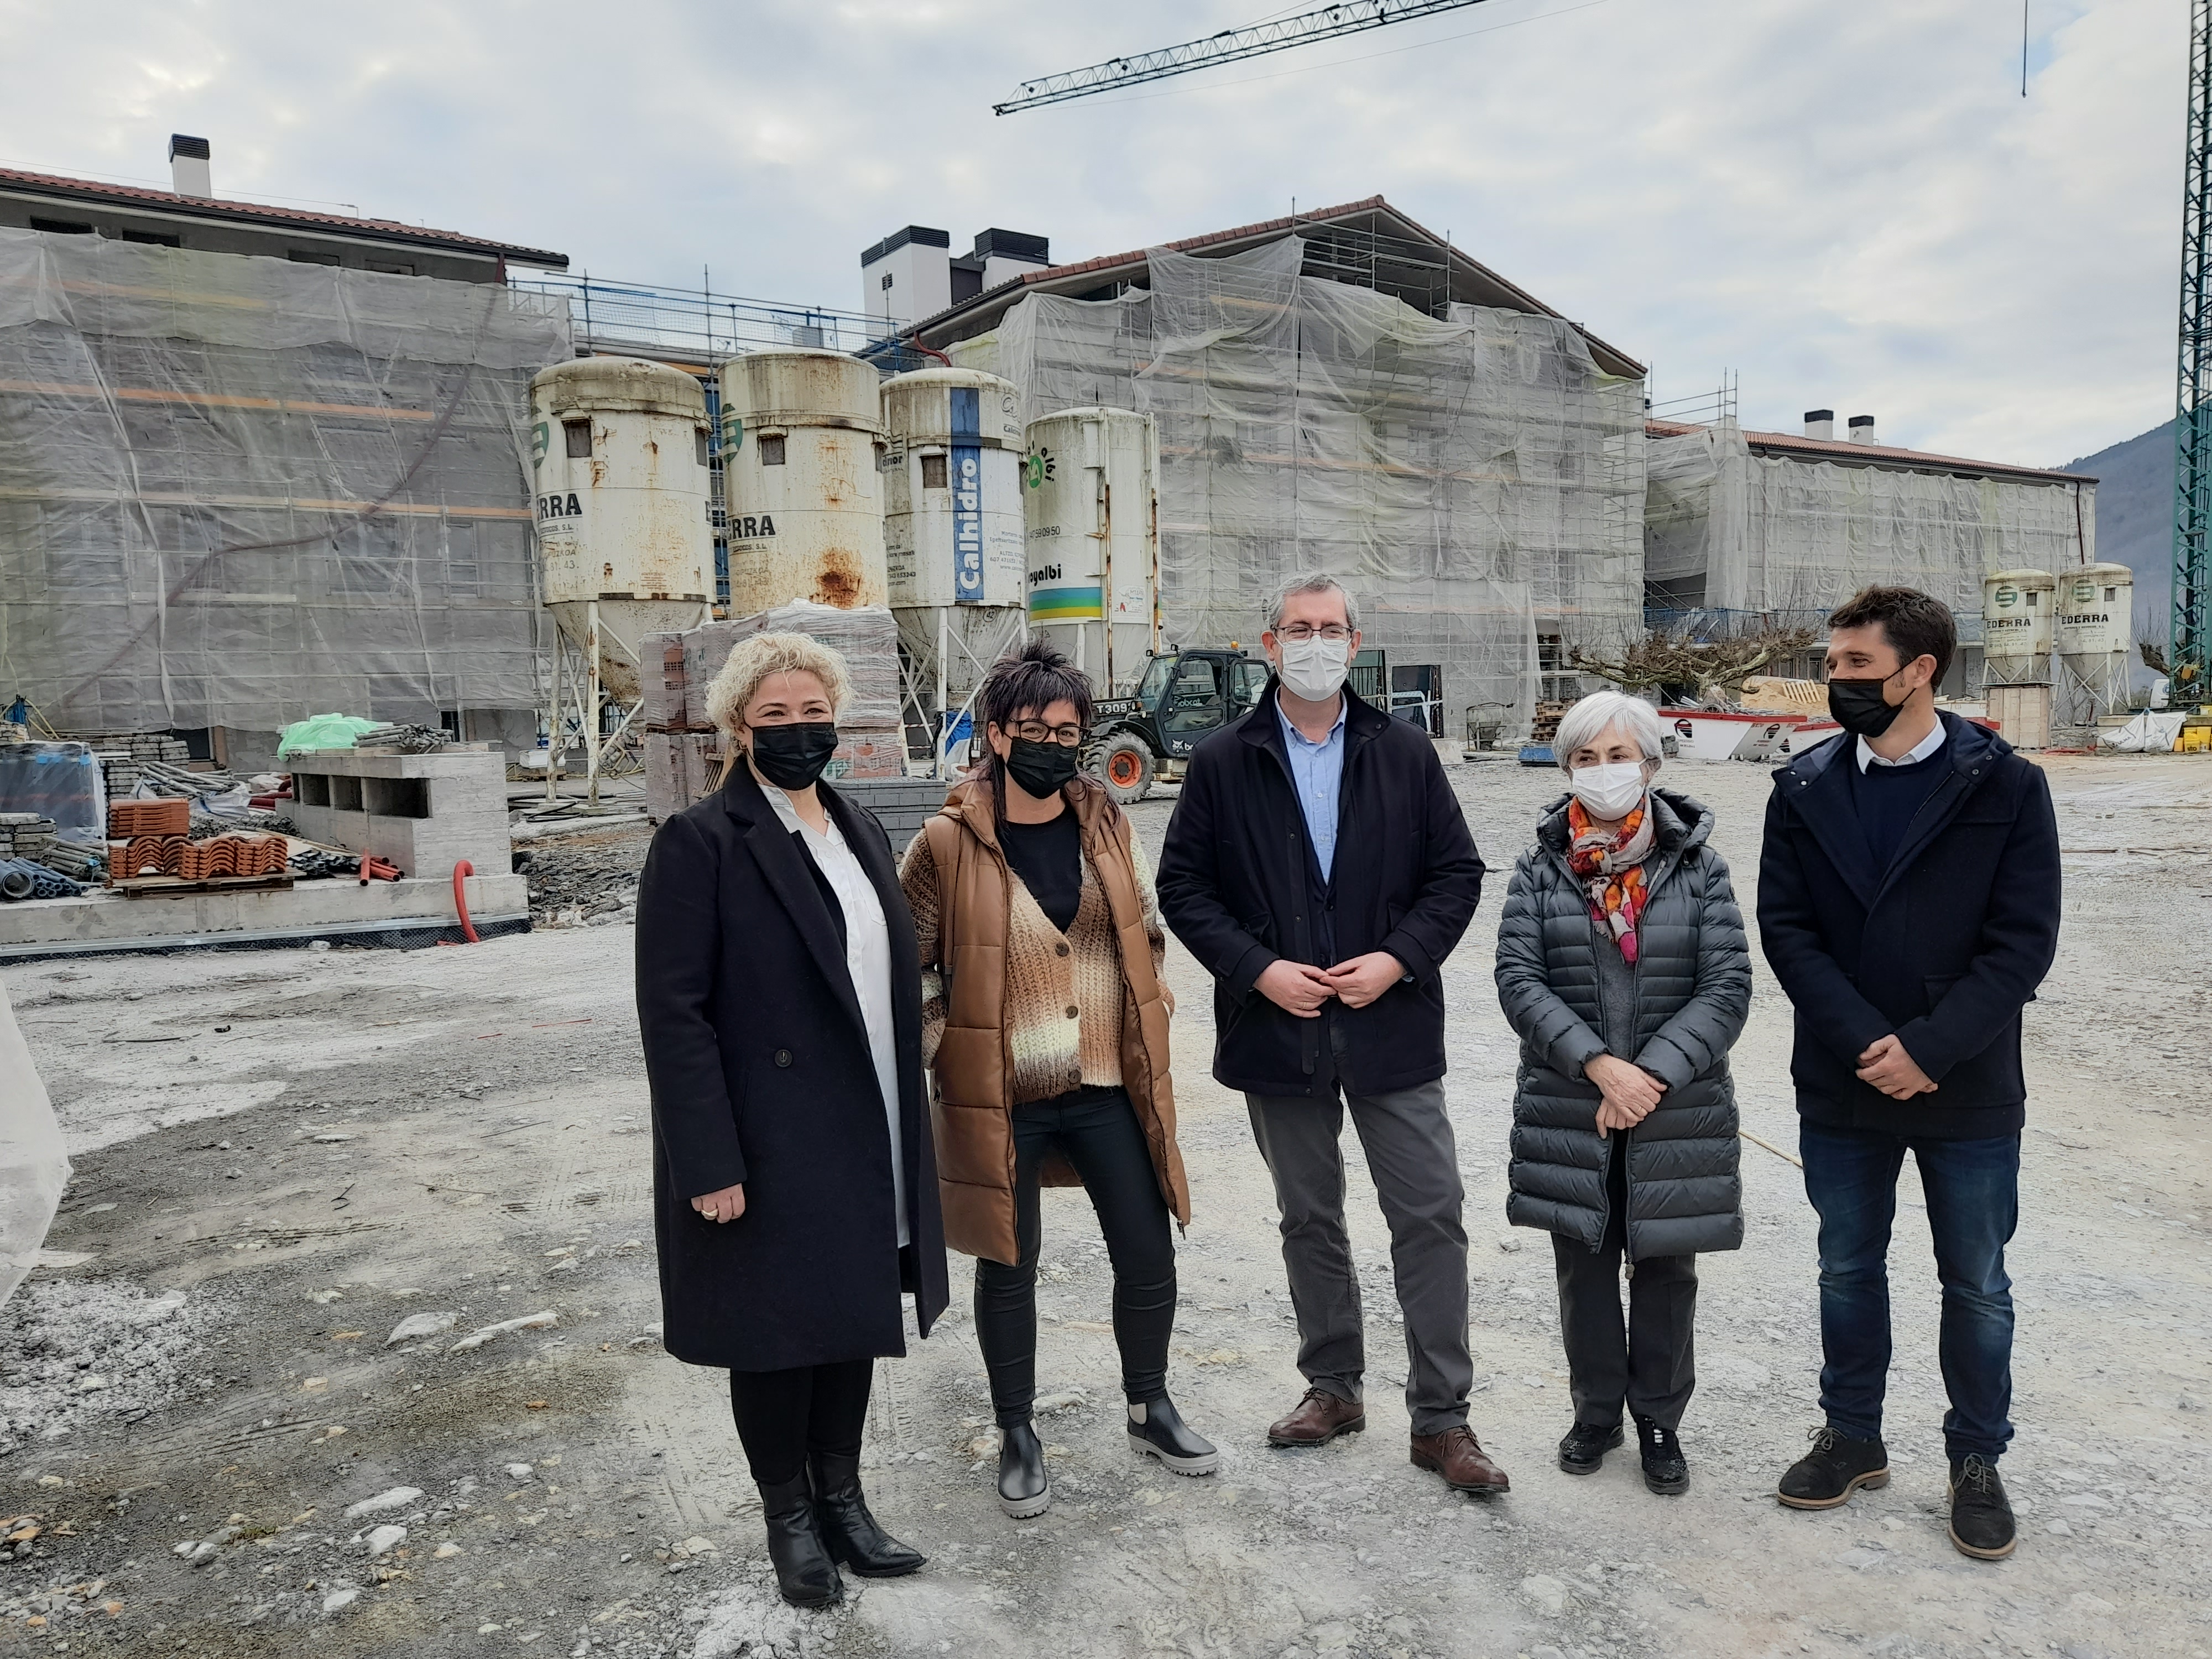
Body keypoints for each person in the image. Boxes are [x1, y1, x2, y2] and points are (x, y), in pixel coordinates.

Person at [1156, 572, 1502, 1494]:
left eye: (1331, 628)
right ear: (1270, 644)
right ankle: (1334, 1386)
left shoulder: (1405, 754)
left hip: (1391, 1026)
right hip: (1280, 1030)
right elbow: (1184, 886)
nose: (1315, 643)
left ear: (1355, 643)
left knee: (1429, 1215)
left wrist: (1398, 959)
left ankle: (1443, 1418)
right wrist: (1258, 969)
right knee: (1309, 1216)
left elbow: (1456, 874)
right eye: (1298, 629)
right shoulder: (1224, 760)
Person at [634, 632, 948, 1608]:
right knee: (776, 1332)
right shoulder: (699, 842)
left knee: (850, 1314)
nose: (799, 730)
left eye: (815, 713)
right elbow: (673, 1016)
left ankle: (844, 1502)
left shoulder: (859, 829)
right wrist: (707, 1161)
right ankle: (790, 1519)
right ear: (739, 726)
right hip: (765, 1135)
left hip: (866, 1114)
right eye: (776, 715)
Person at [1758, 585, 2061, 1562]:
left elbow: (2023, 943)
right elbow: (1788, 933)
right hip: (1843, 1080)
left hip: (1967, 1084)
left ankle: (1977, 1458)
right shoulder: (1803, 789)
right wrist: (1866, 1043)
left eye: (1857, 664)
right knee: (1847, 1268)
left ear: (1919, 671)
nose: (1835, 681)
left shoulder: (2005, 786)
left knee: (1975, 1283)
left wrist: (1930, 1048)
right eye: (1833, 664)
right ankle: (1853, 1436)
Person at [900, 639, 1214, 1520]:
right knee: (1009, 1263)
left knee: (1147, 1252)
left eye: (1067, 731)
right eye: (1032, 730)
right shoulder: (946, 843)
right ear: (997, 734)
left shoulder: (1107, 823)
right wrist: (946, 1044)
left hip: (1107, 1082)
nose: (1051, 745)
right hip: (1004, 1095)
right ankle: (1017, 1431)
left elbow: (1146, 928)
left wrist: (1145, 1002)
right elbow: (909, 965)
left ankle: (1150, 1407)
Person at [1494, 691, 1750, 1496]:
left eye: (1618, 756)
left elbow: (1726, 987)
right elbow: (1519, 981)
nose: (1603, 771)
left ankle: (1660, 1421)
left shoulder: (1700, 867)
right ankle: (1596, 1412)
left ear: (1650, 764)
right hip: (1574, 1099)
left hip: (1675, 1103)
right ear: (1567, 769)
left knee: (1668, 1269)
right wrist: (1601, 1067)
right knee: (1585, 1267)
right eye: (1586, 758)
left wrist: (1653, 1075)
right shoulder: (1540, 869)